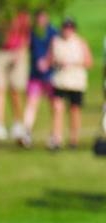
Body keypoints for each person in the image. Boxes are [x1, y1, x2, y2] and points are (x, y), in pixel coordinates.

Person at [49, 18, 92, 150]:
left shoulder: (80, 42)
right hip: (60, 81)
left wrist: (73, 63)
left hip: (76, 82)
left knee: (74, 111)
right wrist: (57, 62)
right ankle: (57, 139)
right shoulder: (56, 42)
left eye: (70, 28)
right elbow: (49, 59)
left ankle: (74, 140)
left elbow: (89, 62)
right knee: (57, 109)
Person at [0, 9, 31, 141]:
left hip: (17, 52)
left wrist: (20, 53)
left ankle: (18, 122)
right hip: (0, 51)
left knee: (15, 90)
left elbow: (26, 35)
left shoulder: (21, 12)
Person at [21, 10, 57, 148]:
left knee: (54, 106)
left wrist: (47, 61)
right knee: (31, 104)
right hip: (35, 76)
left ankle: (54, 135)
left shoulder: (53, 32)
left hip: (50, 75)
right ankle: (27, 133)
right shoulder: (32, 32)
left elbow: (55, 48)